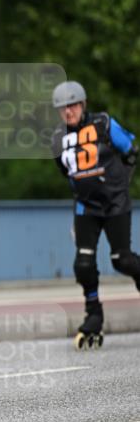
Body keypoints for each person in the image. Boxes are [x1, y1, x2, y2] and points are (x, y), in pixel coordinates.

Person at [51, 80, 139, 348]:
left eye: (73, 105)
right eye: (63, 108)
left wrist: (119, 183)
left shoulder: (103, 124)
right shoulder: (57, 139)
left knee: (121, 260)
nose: (68, 112)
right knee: (83, 264)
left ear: (83, 104)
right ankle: (93, 315)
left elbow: (131, 151)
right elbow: (67, 172)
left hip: (114, 203)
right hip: (86, 207)